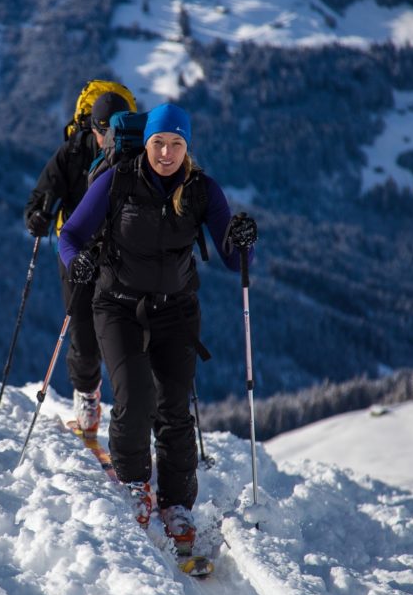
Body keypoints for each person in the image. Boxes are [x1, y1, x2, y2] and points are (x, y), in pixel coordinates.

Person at [57, 103, 258, 554]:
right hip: (118, 306)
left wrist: (242, 242)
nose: (166, 153)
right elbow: (69, 236)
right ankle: (134, 483)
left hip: (177, 311)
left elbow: (232, 257)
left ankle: (176, 503)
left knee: (173, 406)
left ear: (187, 147)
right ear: (145, 142)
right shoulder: (116, 181)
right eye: (158, 143)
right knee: (134, 396)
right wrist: (79, 263)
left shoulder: (203, 190)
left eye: (176, 144)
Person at [23, 90, 134, 433]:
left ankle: (135, 414)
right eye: (104, 132)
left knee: (130, 339)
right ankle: (88, 395)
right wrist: (38, 217)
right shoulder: (72, 153)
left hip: (123, 256)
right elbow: (41, 196)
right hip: (78, 254)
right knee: (83, 334)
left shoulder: (137, 153)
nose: (109, 140)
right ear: (93, 127)